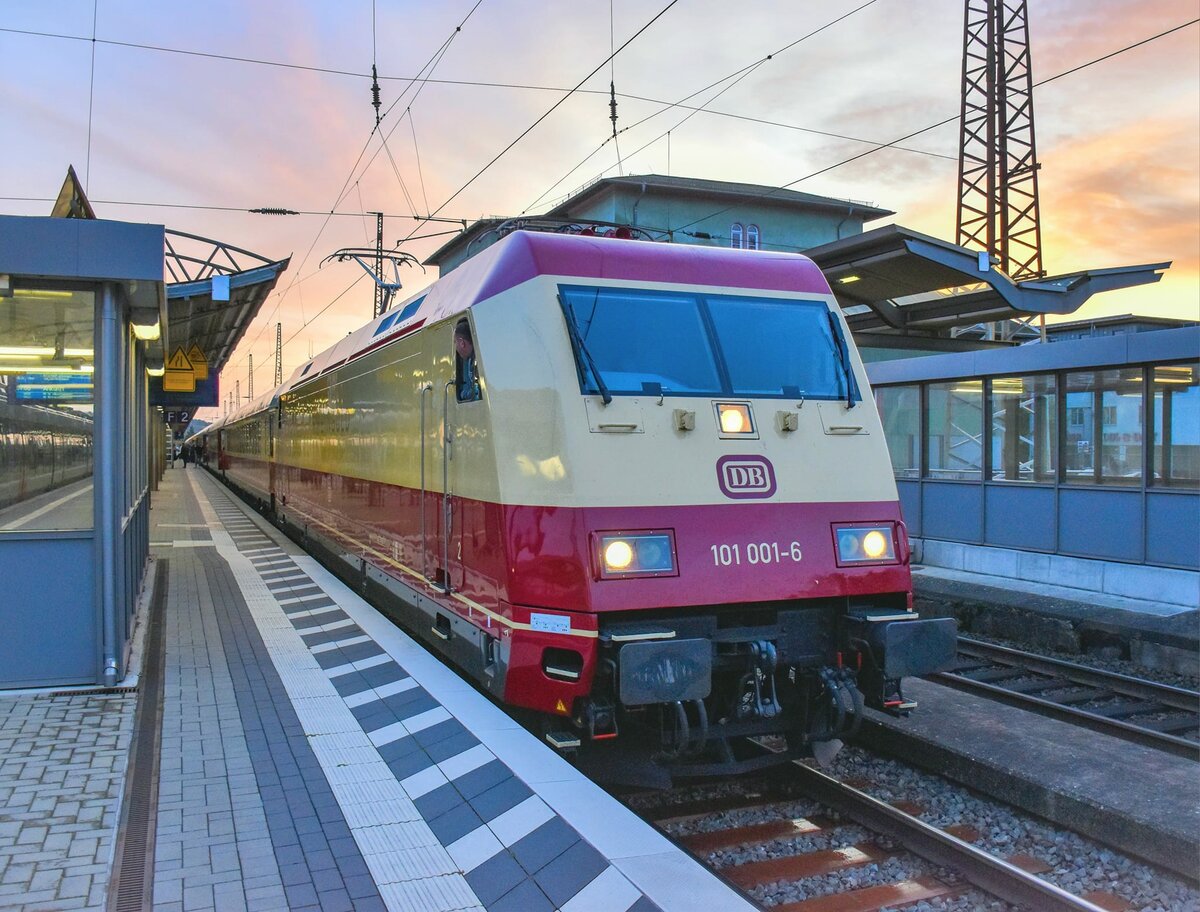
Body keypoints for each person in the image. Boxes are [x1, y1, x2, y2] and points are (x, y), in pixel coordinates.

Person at [454, 321, 480, 402]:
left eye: (455, 342)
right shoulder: (469, 361)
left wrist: (464, 394)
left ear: (462, 343)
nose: (455, 347)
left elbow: (478, 393)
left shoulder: (476, 361)